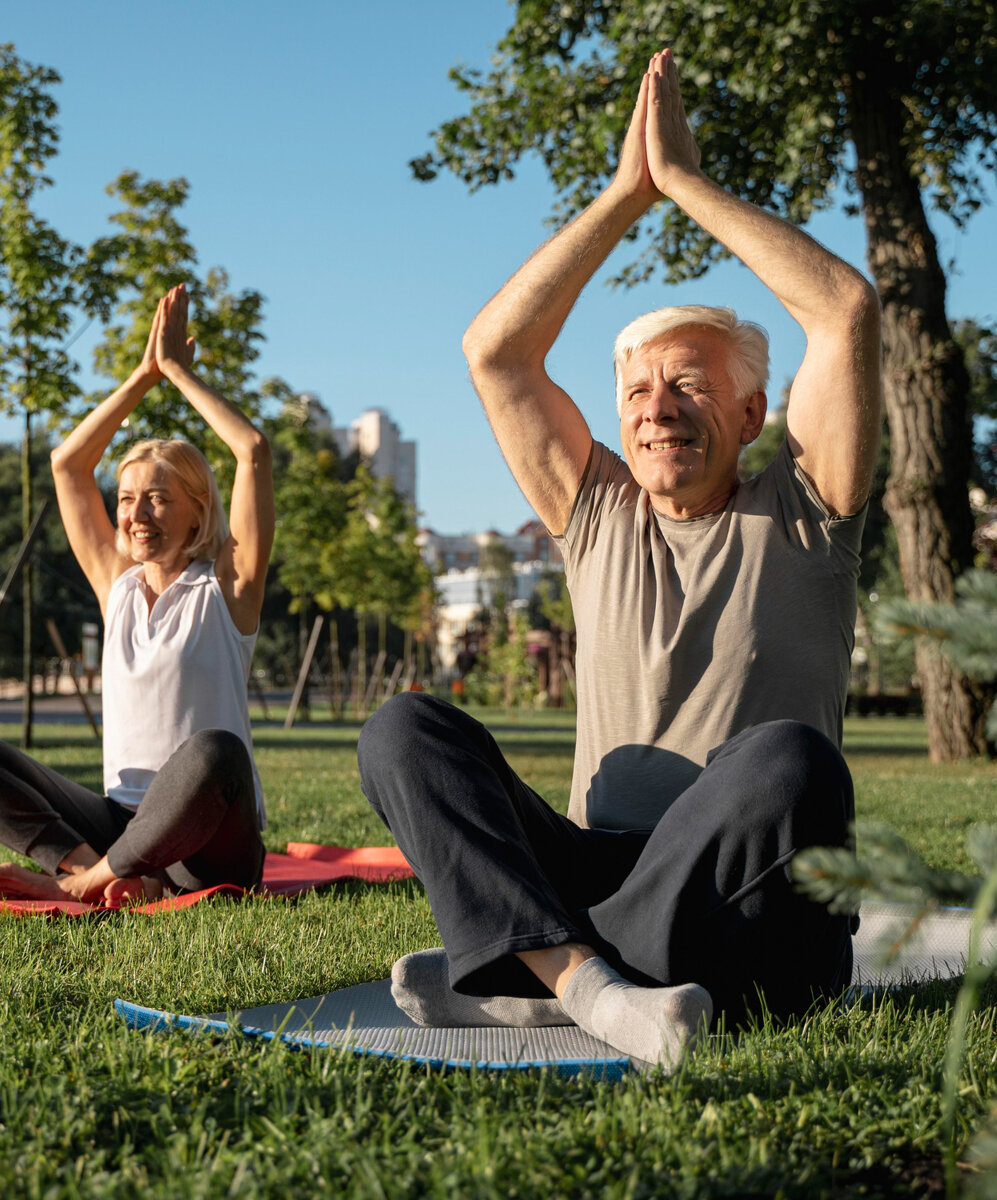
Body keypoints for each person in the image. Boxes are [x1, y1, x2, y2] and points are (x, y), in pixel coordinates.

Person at [358, 50, 882, 1067]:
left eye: (687, 384)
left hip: (754, 900)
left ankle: (539, 978)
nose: (657, 407)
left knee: (790, 761)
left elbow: (844, 312)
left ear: (748, 411)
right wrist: (620, 195)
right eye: (638, 392)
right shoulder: (594, 509)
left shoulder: (810, 508)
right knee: (402, 729)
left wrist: (684, 184)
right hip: (594, 872)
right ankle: (594, 986)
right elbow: (496, 353)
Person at [0, 284, 274, 905]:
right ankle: (101, 869)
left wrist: (177, 374)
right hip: (119, 823)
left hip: (211, 844)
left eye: (158, 498)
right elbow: (67, 463)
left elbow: (251, 451)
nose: (137, 514)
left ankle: (89, 882)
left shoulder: (226, 587)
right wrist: (142, 376)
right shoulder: (115, 584)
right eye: (126, 498)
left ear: (197, 514)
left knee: (216, 752)